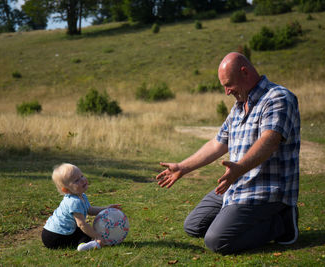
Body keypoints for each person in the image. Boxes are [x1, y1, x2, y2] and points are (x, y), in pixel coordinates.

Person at [156, 52, 300, 254]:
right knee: (193, 226)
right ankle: (236, 219)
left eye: (229, 84)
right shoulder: (239, 107)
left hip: (266, 191)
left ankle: (282, 223)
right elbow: (218, 143)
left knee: (217, 241)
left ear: (245, 72)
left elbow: (269, 141)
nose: (226, 91)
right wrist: (183, 167)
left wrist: (239, 168)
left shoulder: (278, 98)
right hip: (236, 186)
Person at [41, 163, 122, 251]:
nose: (82, 180)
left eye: (82, 176)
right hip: (55, 236)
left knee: (87, 230)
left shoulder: (81, 196)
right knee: (86, 232)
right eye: (76, 180)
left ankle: (87, 242)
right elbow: (81, 224)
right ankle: (84, 245)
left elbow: (90, 210)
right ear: (66, 189)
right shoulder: (74, 202)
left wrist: (107, 208)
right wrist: (96, 236)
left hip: (51, 232)